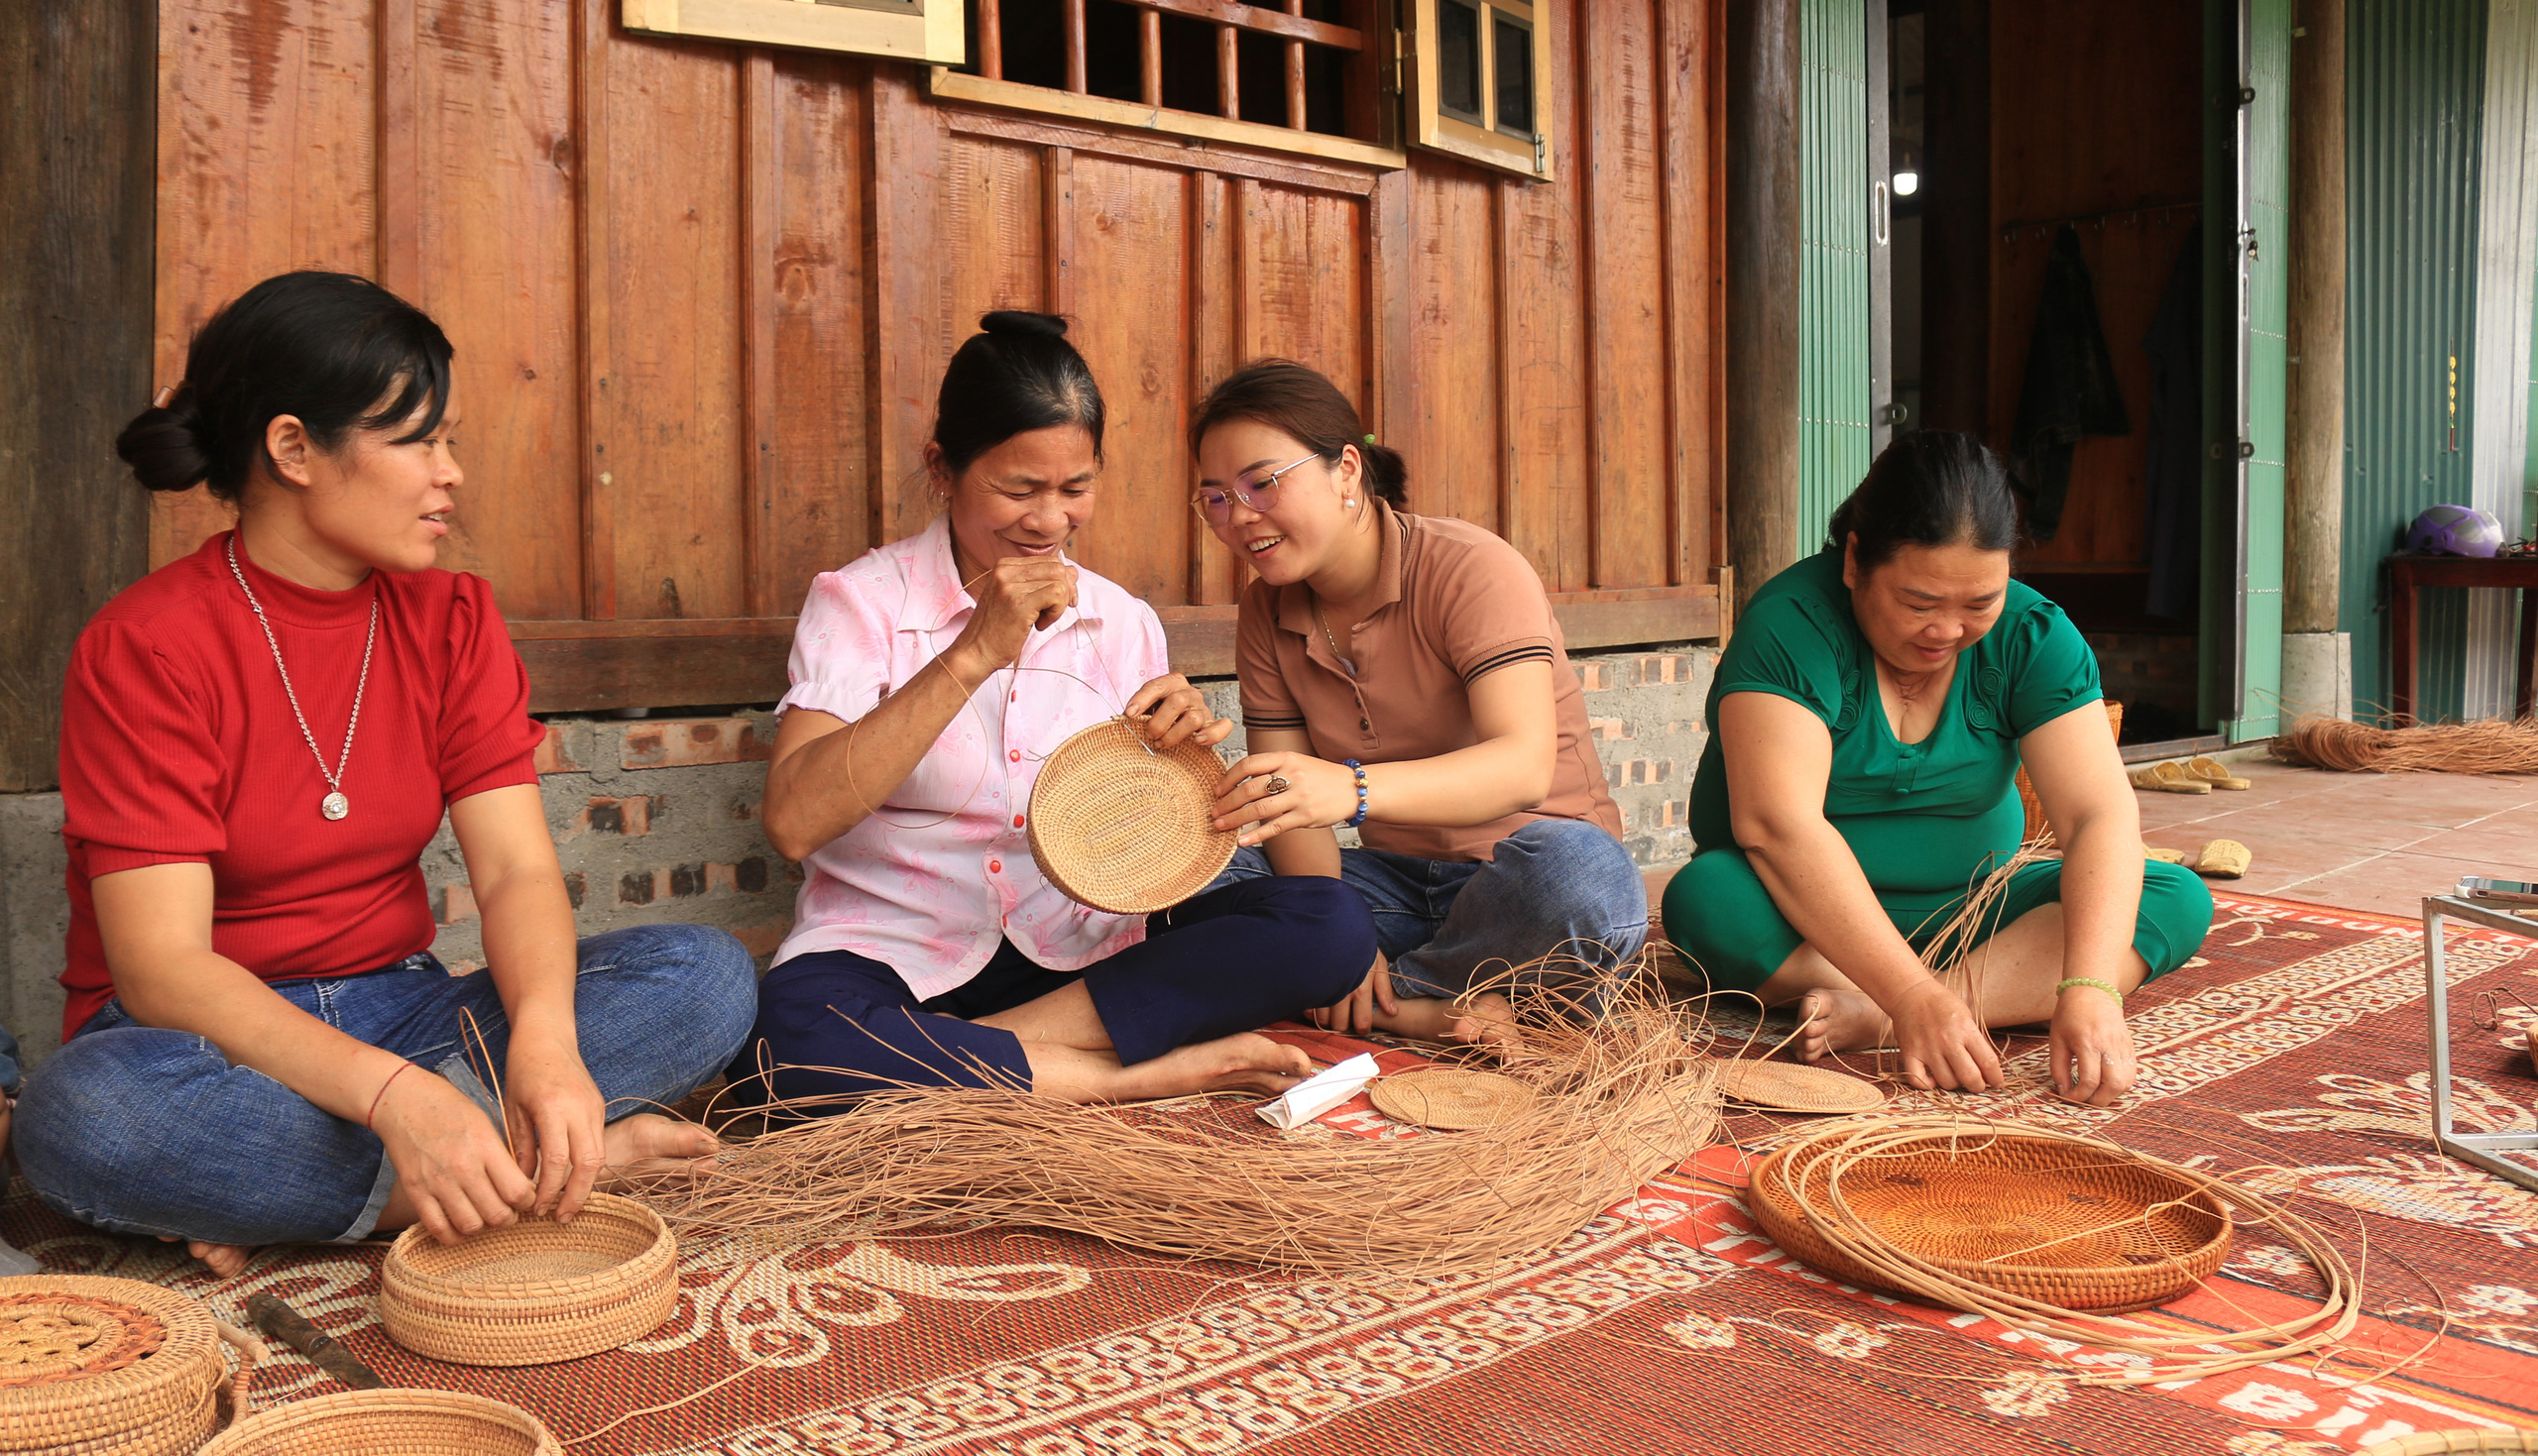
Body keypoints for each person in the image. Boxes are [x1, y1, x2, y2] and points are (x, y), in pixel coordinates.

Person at [12, 272, 756, 1278]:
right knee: (82, 1117)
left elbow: (514, 876)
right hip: (197, 1042)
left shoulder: (451, 619)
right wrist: (398, 1098)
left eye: (449, 439)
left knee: (703, 975)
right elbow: (163, 968)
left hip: (404, 1008)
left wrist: (541, 1042)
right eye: (418, 440)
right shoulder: (149, 643)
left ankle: (338, 1190)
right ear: (292, 449)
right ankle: (531, 1171)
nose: (450, 473)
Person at [734, 313, 1374, 1110]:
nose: (1049, 520)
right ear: (943, 469)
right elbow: (793, 822)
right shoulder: (860, 603)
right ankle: (1123, 1075)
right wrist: (971, 653)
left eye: (1076, 488)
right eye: (1018, 488)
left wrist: (1182, 770)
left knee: (1331, 923)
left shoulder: (1121, 619)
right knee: (788, 1041)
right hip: (895, 957)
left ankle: (973, 1060)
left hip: (1079, 956)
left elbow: (1145, 854)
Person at [1660, 431, 2213, 1107]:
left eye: (1980, 603)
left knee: (2171, 897)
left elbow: (2098, 812)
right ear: (1857, 559)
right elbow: (1777, 826)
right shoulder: (1790, 626)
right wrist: (1913, 989)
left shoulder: (2034, 635)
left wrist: (2092, 987)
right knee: (1707, 896)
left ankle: (1882, 1014)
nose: (1947, 631)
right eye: (1919, 604)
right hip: (1802, 917)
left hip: (1972, 906)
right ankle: (1932, 997)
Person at [1194, 360, 1649, 1048]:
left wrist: (1350, 790)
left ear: (1346, 469)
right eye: (1217, 498)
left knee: (1584, 876)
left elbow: (1522, 766)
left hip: (1523, 884)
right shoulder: (1266, 608)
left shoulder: (1470, 568)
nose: (1240, 517)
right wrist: (1338, 933)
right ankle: (1443, 1005)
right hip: (1397, 893)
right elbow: (1286, 803)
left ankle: (1378, 1000)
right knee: (1197, 865)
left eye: (1261, 482)